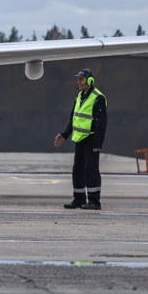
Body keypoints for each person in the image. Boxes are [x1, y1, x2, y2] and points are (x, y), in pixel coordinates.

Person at [53, 68, 108, 210]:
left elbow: (101, 122)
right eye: (78, 79)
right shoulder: (79, 96)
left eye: (81, 79)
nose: (78, 82)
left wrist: (98, 142)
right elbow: (73, 118)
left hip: (91, 139)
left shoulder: (98, 97)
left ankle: (95, 201)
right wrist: (65, 134)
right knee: (77, 170)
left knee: (91, 170)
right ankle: (79, 199)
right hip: (79, 139)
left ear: (89, 81)